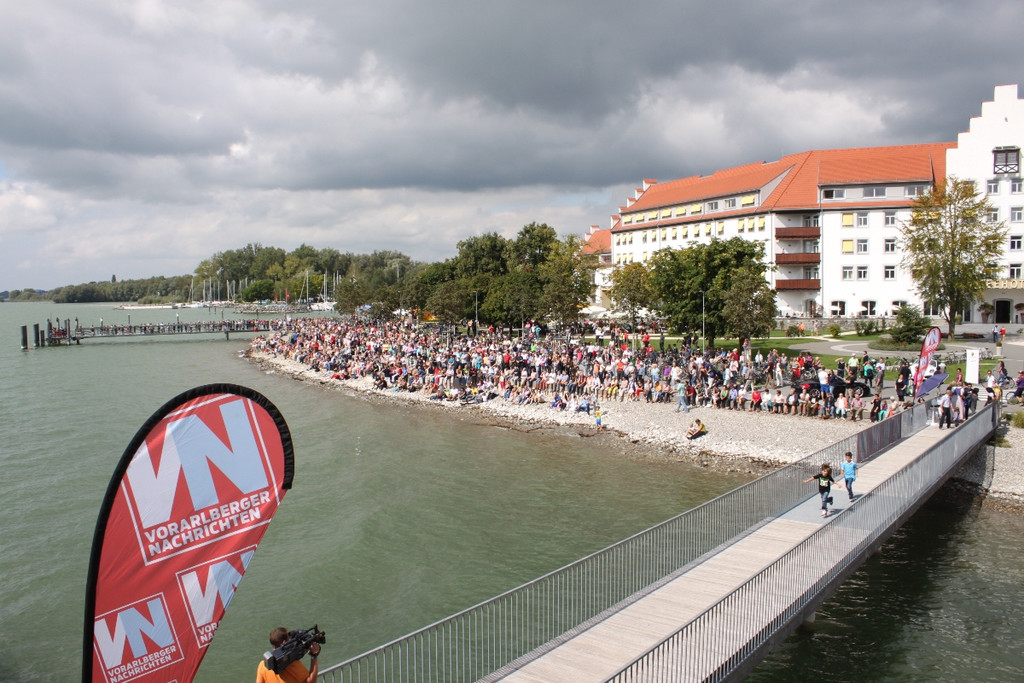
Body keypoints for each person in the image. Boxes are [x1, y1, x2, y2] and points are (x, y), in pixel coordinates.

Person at [256, 627, 321, 683]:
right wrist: (314, 657)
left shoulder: (263, 665)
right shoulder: (293, 665)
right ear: (284, 643)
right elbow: (310, 681)